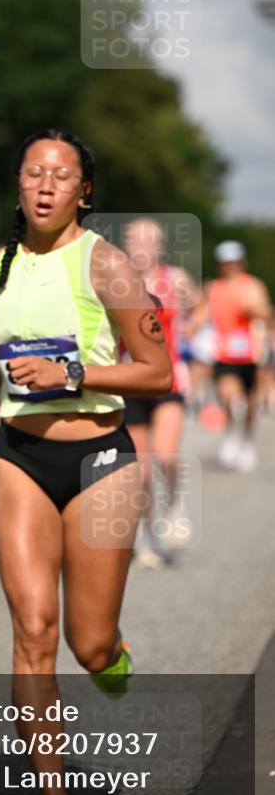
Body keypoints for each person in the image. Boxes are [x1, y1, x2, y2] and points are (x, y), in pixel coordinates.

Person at [0, 129, 172, 795]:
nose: (44, 186)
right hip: (16, 455)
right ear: (18, 186)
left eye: (61, 176)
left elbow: (156, 371)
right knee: (31, 629)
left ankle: (112, 655)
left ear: (84, 191)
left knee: (88, 642)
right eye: (32, 173)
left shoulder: (105, 266)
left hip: (100, 459)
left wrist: (72, 373)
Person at [121, 218, 200, 569]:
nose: (139, 247)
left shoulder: (176, 279)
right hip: (132, 381)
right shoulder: (117, 282)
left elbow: (201, 304)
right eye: (132, 240)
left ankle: (175, 504)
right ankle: (147, 538)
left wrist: (194, 323)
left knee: (165, 456)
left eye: (146, 241)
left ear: (159, 247)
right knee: (140, 472)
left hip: (169, 380)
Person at [195, 241, 271, 471]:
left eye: (234, 262)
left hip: (252, 354)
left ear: (241, 262)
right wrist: (194, 324)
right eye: (225, 263)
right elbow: (203, 313)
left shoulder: (253, 286)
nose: (230, 267)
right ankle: (230, 433)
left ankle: (246, 439)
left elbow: (266, 312)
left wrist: (253, 309)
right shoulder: (213, 288)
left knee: (249, 404)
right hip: (224, 353)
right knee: (231, 398)